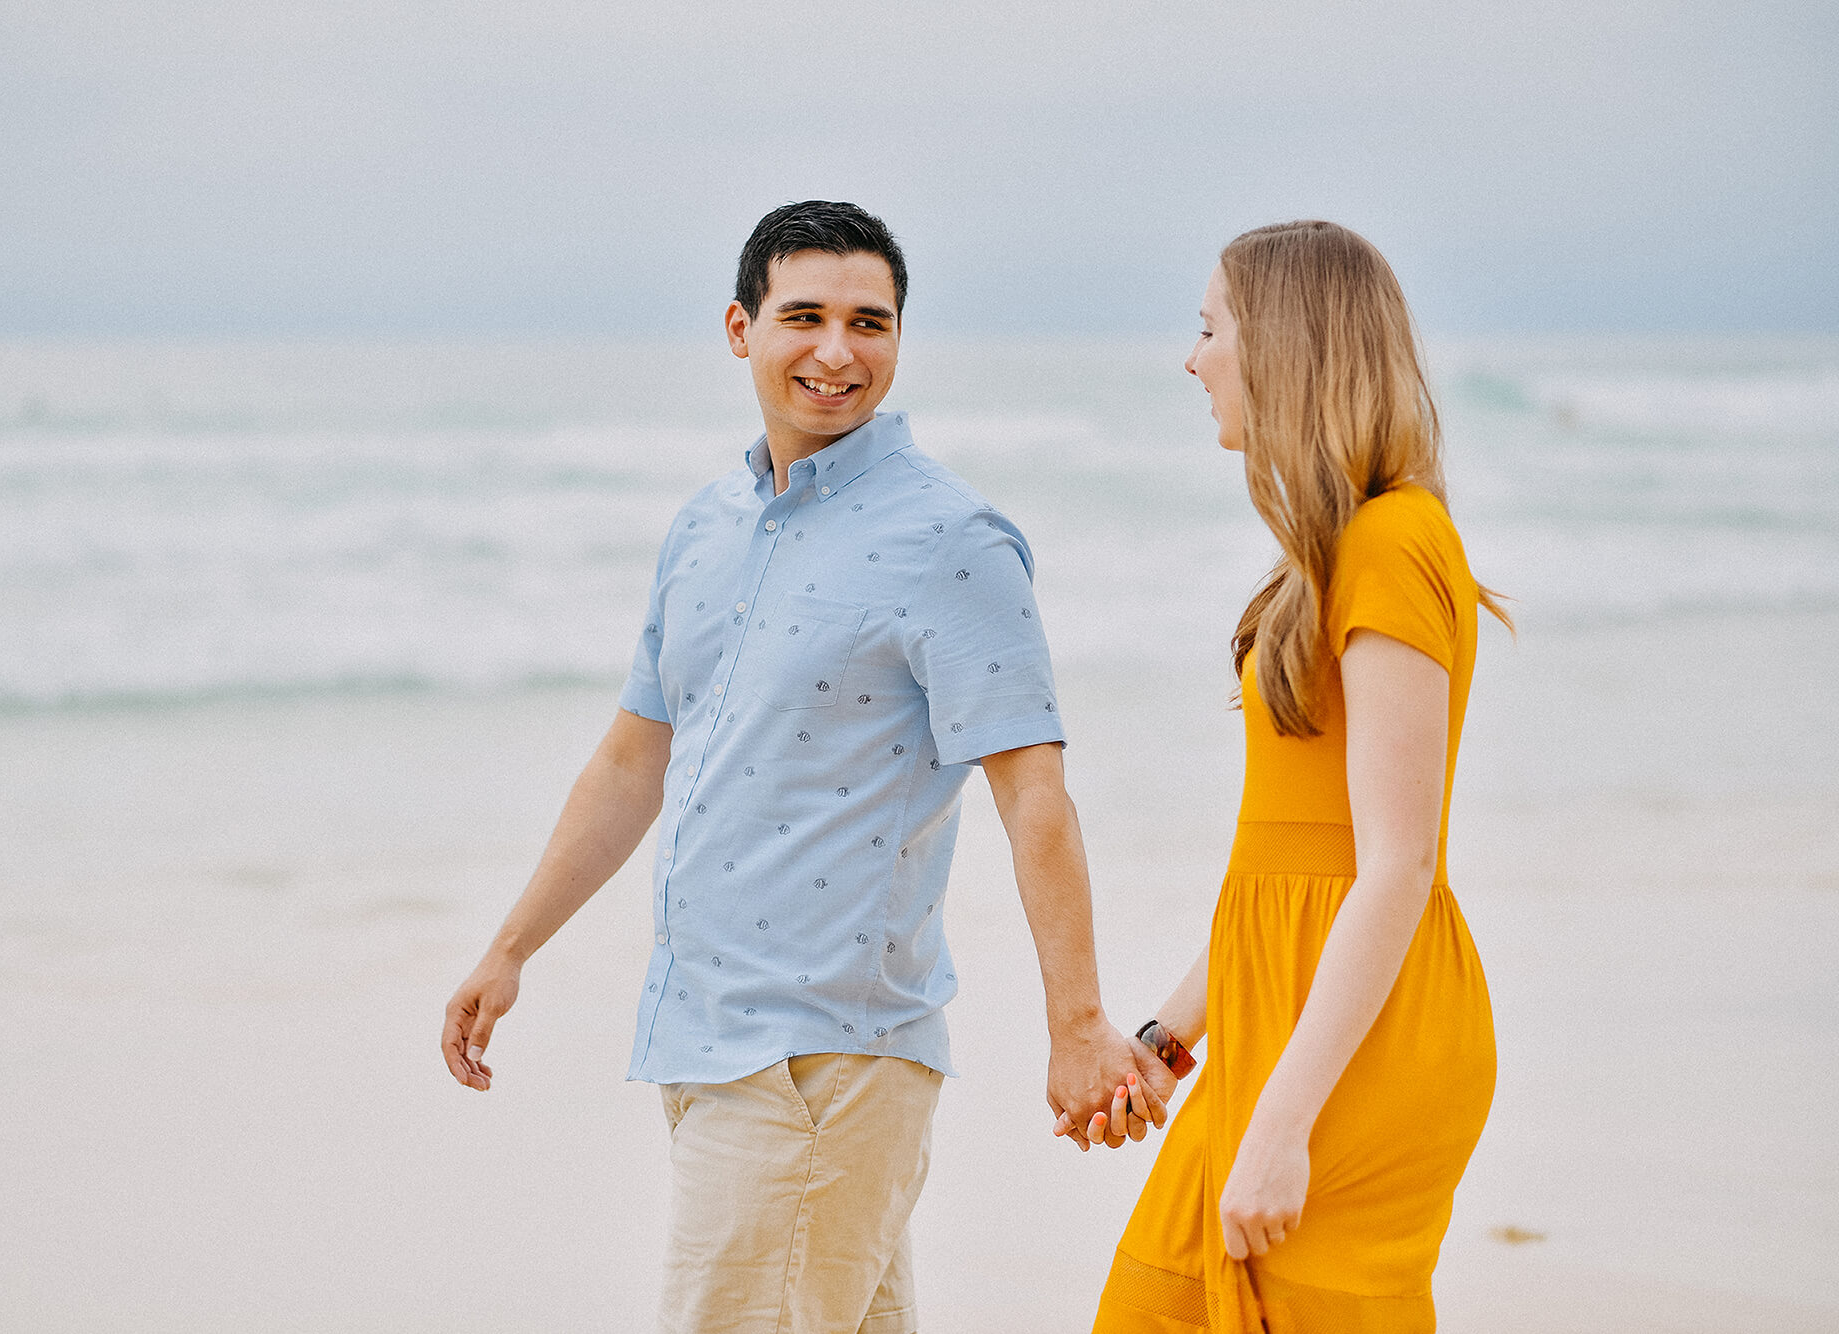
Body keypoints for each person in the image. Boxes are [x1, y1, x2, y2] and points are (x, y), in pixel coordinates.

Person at [440, 200, 1154, 1334]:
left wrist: (1076, 1021)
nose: (836, 350)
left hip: (821, 1063)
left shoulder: (950, 541)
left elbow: (1033, 791)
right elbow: (633, 756)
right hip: (702, 1041)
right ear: (740, 326)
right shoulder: (708, 525)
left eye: (868, 321)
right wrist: (511, 944)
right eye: (804, 315)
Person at [1081, 220, 1509, 1332]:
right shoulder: (1329, 555)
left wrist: (1279, 1123)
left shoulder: (1389, 542)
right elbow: (1285, 861)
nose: (1193, 359)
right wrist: (1167, 1040)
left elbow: (1393, 867)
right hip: (1283, 1026)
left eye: (1210, 327)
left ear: (1283, 346)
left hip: (1355, 1048)